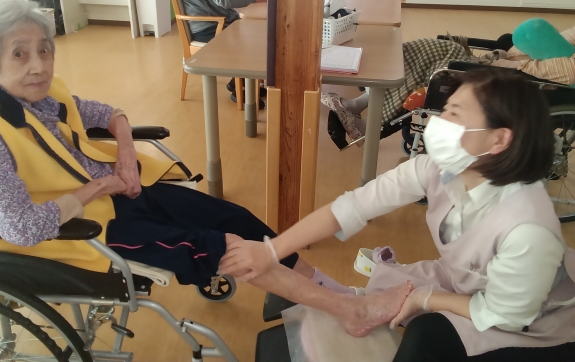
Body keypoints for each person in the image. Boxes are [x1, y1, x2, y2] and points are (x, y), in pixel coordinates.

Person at [0, 0, 409, 314]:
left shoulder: (41, 94)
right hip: (80, 231)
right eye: (20, 55)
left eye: (44, 49)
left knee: (237, 218)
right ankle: (348, 310)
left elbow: (110, 114)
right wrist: (100, 185)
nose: (39, 65)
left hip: (119, 195)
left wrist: (126, 155)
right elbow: (21, 228)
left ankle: (331, 291)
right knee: (224, 245)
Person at [220, 69, 575, 361]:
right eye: (445, 110)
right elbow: (351, 208)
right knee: (386, 289)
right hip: (469, 282)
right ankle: (354, 305)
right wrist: (271, 250)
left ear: (498, 140)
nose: (440, 122)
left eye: (455, 114)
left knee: (426, 333)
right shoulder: (438, 169)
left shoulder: (527, 228)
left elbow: (505, 315)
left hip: (533, 325)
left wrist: (426, 298)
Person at [322, 20, 575, 144]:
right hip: (499, 67)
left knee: (436, 65)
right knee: (425, 49)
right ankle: (358, 104)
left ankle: (368, 126)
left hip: (503, 81)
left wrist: (505, 59)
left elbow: (551, 69)